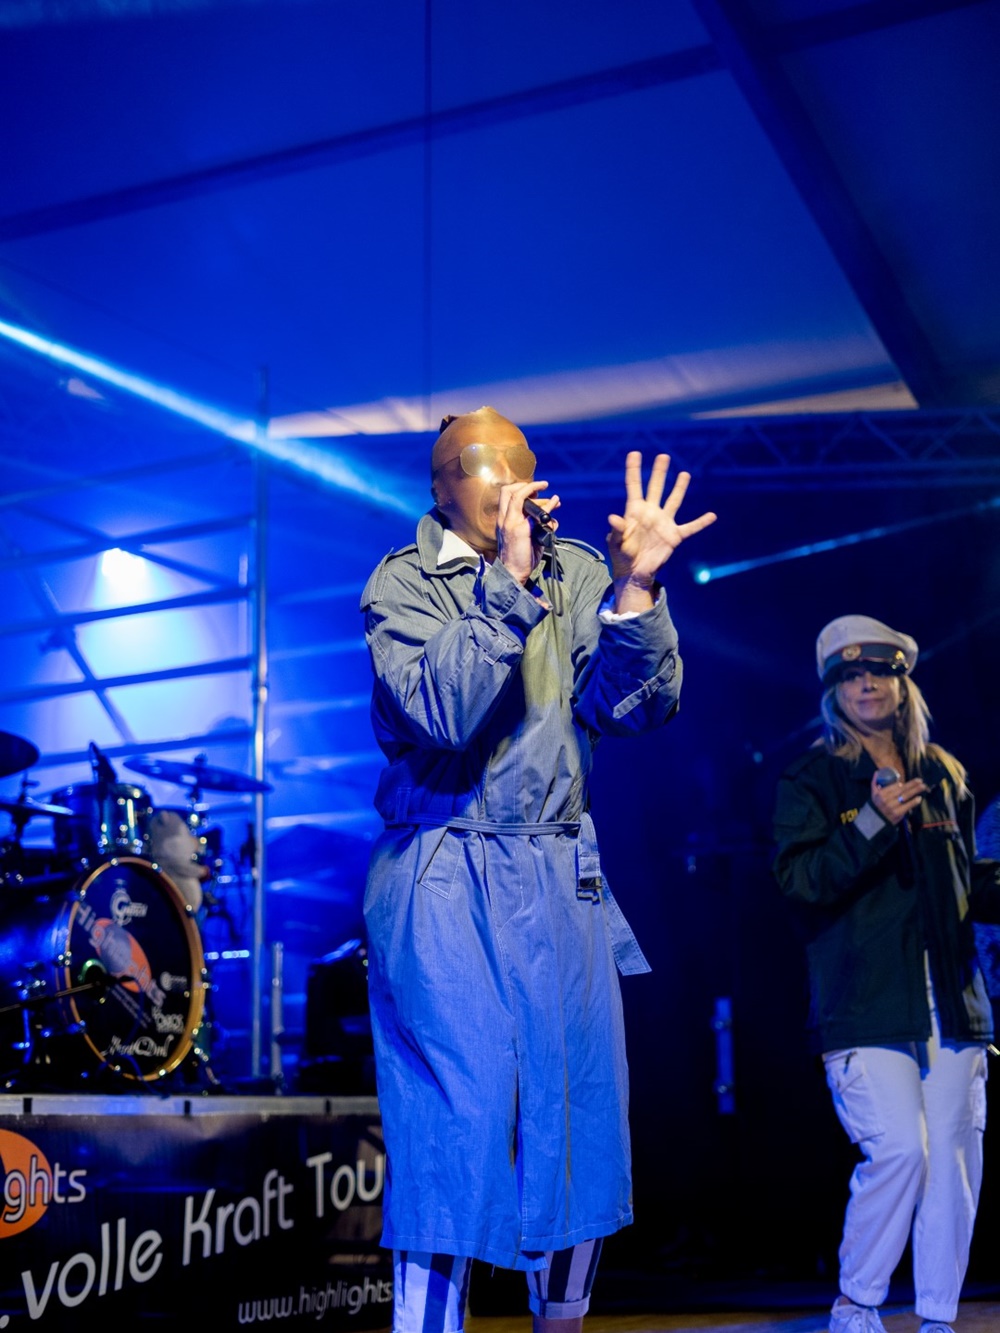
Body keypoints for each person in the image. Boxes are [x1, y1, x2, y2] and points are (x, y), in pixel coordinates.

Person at [359, 406, 716, 1333]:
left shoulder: (578, 572)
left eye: (518, 464)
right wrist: (508, 584)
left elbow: (634, 707)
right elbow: (442, 710)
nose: (508, 483)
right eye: (482, 467)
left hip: (559, 874)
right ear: (442, 488)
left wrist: (635, 591)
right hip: (443, 870)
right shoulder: (403, 583)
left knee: (575, 1114)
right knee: (458, 1120)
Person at [773, 615, 1000, 1333]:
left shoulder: (945, 774)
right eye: (850, 675)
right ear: (833, 692)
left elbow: (969, 884)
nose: (867, 683)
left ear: (904, 683)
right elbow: (800, 882)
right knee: (901, 1149)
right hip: (865, 1001)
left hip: (952, 999)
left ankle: (937, 1317)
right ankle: (858, 1304)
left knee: (953, 1162)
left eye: (879, 671)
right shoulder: (811, 778)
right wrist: (871, 822)